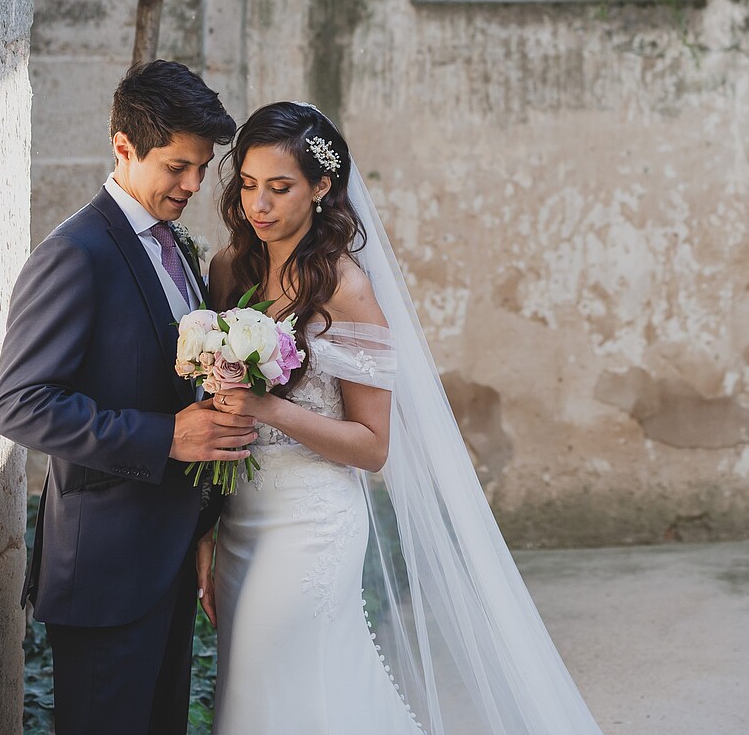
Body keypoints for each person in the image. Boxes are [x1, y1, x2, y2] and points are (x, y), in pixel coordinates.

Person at [205, 101, 610, 735]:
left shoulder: (346, 289)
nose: (259, 204)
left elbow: (372, 445)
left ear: (322, 186)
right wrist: (204, 532)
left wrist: (267, 407)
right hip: (239, 519)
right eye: (249, 184)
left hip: (311, 523)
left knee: (269, 689)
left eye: (280, 188)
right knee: (273, 694)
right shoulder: (229, 269)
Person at [0, 60, 255, 735]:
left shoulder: (176, 247)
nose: (192, 184)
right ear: (123, 146)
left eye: (202, 168)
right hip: (106, 571)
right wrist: (165, 436)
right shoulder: (75, 253)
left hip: (169, 556)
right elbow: (20, 402)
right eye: (177, 167)